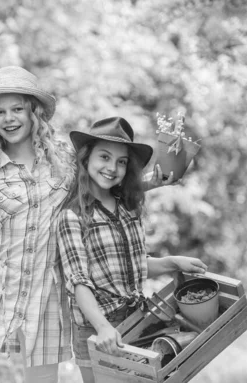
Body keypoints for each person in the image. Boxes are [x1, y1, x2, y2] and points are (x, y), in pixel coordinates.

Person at [0, 67, 178, 383]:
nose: (9, 118)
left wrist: (153, 181)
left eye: (17, 109)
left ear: (33, 112)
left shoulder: (63, 161)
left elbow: (103, 188)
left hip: (47, 293)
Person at [55, 116, 208, 383]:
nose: (112, 167)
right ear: (86, 159)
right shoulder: (73, 216)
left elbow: (131, 267)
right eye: (104, 157)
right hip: (97, 329)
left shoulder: (128, 208)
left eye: (121, 161)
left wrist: (172, 262)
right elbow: (79, 282)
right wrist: (103, 328)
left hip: (137, 319)